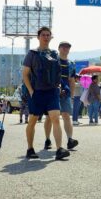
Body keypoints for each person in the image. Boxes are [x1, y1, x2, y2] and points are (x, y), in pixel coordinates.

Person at [22, 27, 70, 160]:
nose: (46, 37)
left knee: (55, 118)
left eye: (48, 35)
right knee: (32, 120)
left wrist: (59, 86)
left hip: (52, 92)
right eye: (43, 35)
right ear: (38, 37)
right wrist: (31, 91)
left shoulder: (55, 54)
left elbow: (58, 73)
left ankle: (59, 149)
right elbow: (25, 74)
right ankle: (30, 149)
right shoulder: (32, 53)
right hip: (37, 93)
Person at [43, 41, 79, 151]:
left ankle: (70, 140)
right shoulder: (53, 60)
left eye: (68, 47)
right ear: (59, 48)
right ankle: (47, 139)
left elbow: (72, 81)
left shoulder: (71, 64)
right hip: (52, 92)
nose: (65, 49)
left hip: (65, 93)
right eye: (63, 47)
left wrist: (72, 96)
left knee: (66, 115)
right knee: (50, 117)